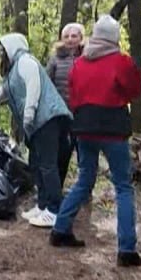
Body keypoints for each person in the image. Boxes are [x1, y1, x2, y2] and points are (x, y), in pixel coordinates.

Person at [49, 14, 141, 267]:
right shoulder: (120, 61)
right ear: (114, 37)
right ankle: (126, 250)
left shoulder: (80, 63)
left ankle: (60, 229)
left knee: (84, 180)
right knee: (123, 187)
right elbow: (134, 90)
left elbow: (73, 93)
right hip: (113, 130)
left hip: (83, 129)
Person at [0, 34, 72, 229]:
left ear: (12, 47)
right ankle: (43, 205)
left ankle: (54, 210)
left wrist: (29, 114)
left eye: (2, 48)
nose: (0, 51)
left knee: (47, 165)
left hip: (47, 119)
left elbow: (34, 85)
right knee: (36, 164)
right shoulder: (13, 71)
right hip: (36, 124)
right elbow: (2, 93)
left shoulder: (25, 61)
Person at [46, 23, 85, 183]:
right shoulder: (55, 59)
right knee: (61, 155)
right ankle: (57, 191)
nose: (70, 39)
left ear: (81, 38)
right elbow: (47, 84)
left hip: (83, 115)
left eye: (74, 36)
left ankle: (85, 193)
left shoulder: (87, 58)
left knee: (84, 155)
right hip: (61, 115)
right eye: (66, 36)